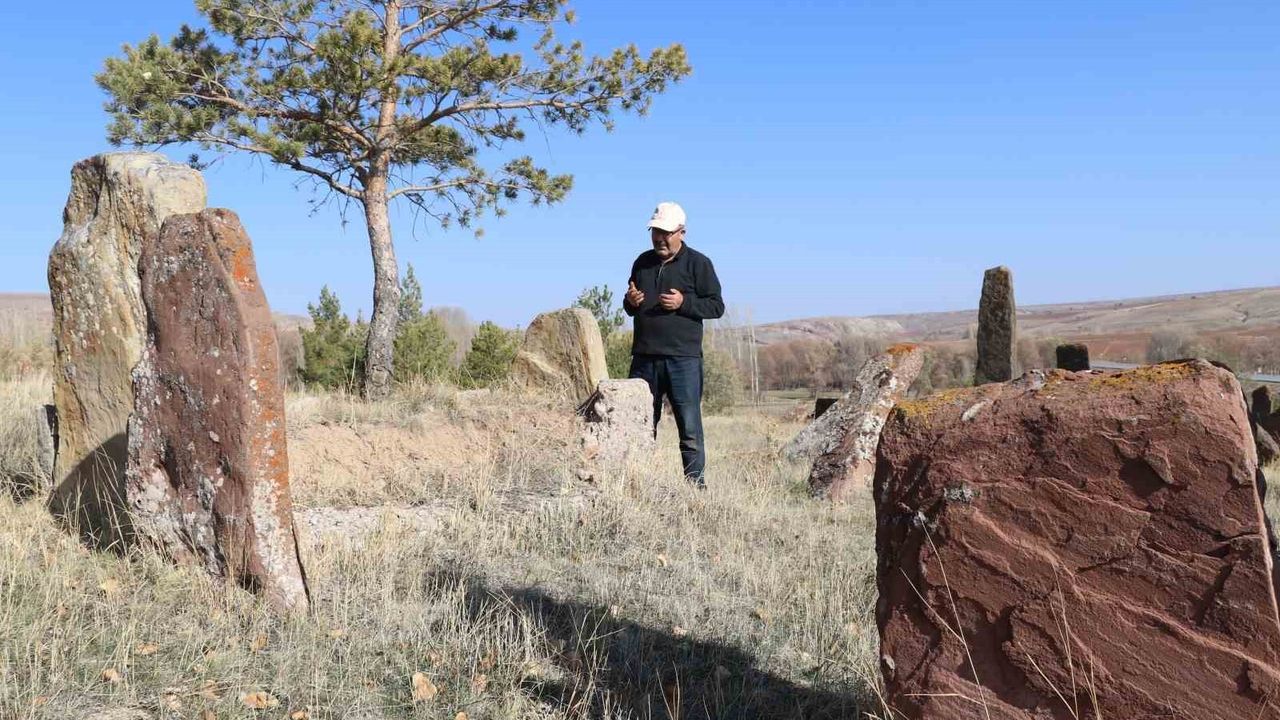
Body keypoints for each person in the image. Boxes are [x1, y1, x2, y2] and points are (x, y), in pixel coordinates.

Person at [623, 202, 725, 486]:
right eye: (655, 231)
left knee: (689, 429)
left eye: (666, 232)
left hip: (683, 360)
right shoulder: (641, 262)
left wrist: (684, 303)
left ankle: (694, 488)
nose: (659, 238)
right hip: (644, 359)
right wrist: (629, 303)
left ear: (682, 232)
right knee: (639, 425)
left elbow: (716, 306)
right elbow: (630, 304)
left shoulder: (699, 263)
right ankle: (637, 483)